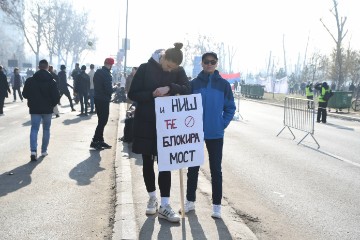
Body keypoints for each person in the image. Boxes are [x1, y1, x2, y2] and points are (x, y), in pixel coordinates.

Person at [127, 43, 190, 223]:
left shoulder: (178, 71)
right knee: (147, 161)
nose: (170, 70)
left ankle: (165, 205)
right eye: (168, 66)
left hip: (168, 124)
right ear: (163, 58)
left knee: (166, 163)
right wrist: (152, 94)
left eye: (173, 68)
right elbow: (133, 93)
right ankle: (152, 197)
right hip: (145, 122)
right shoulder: (145, 68)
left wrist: (170, 87)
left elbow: (188, 89)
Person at [183, 52, 236, 219]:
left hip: (215, 133)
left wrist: (222, 123)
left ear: (216, 63)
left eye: (212, 62)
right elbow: (184, 107)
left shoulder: (224, 85)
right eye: (206, 62)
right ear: (202, 64)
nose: (209, 64)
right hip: (195, 132)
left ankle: (217, 206)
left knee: (216, 170)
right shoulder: (193, 84)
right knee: (192, 168)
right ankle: (190, 201)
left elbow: (230, 108)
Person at [22, 59, 60, 161]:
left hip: (34, 109)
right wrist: (51, 105)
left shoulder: (30, 80)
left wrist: (32, 99)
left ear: (38, 67)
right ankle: (44, 151)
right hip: (47, 109)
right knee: (46, 129)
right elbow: (57, 97)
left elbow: (24, 94)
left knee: (34, 129)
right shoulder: (52, 81)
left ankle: (33, 151)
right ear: (47, 67)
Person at [90, 58, 115, 150]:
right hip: (104, 99)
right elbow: (108, 89)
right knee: (103, 121)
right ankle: (95, 141)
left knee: (101, 120)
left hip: (97, 98)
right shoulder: (107, 74)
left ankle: (100, 140)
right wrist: (115, 89)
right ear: (110, 65)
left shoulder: (98, 72)